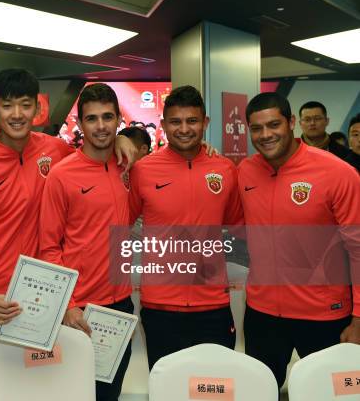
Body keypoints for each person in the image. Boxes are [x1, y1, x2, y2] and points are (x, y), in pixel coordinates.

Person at [0, 69, 136, 400]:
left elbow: (94, 150)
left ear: (38, 108)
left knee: (36, 390)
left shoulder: (55, 152)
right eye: (7, 106)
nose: (17, 115)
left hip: (40, 299)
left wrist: (122, 138)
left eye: (24, 105)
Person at [239, 92, 360, 389]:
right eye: (256, 128)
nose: (266, 135)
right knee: (259, 392)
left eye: (274, 125)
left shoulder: (339, 173)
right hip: (263, 313)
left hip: (324, 314)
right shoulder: (245, 171)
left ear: (292, 122)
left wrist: (359, 318)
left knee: (326, 394)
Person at [129, 85, 243, 370]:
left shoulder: (225, 169)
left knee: (216, 389)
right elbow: (123, 221)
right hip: (160, 307)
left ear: (205, 123)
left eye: (192, 121)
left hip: (213, 305)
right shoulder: (143, 170)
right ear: (164, 124)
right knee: (167, 389)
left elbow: (235, 224)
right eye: (176, 122)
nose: (184, 129)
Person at [39, 83, 133, 400]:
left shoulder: (130, 168)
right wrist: (68, 306)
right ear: (80, 124)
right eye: (92, 119)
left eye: (108, 117)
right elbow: (49, 247)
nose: (101, 126)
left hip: (121, 307)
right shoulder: (62, 176)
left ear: (119, 119)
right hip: (78, 312)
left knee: (110, 394)